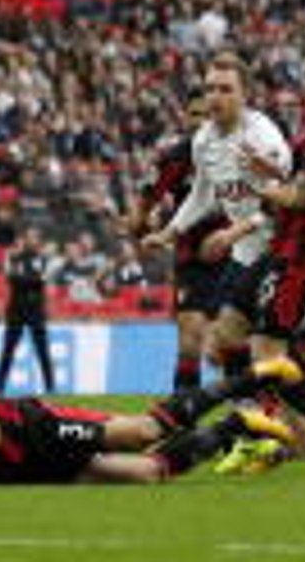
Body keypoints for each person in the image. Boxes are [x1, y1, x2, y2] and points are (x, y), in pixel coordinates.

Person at [0, 327, 299, 489]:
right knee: (148, 474)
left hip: (31, 432)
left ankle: (254, 376)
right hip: (15, 475)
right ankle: (238, 425)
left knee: (144, 431)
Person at [209, 45, 305, 476]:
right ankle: (274, 434)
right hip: (283, 246)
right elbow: (294, 184)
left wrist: (250, 181)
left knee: (269, 353)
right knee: (227, 334)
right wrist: (267, 170)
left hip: (301, 255)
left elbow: (300, 196)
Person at [125, 88, 228, 390]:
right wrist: (138, 224)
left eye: (207, 115)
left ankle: (248, 412)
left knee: (228, 345)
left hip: (236, 255)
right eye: (195, 114)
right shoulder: (175, 157)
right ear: (185, 117)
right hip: (191, 258)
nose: (200, 122)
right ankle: (183, 418)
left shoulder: (235, 151)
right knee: (189, 341)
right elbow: (146, 201)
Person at [0, 228, 54, 394]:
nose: (31, 240)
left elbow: (41, 280)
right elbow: (13, 280)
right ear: (24, 239)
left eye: (34, 237)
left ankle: (51, 387)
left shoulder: (43, 259)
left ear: (38, 240)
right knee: (8, 350)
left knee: (42, 350)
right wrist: (31, 279)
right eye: (28, 237)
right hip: (16, 310)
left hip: (36, 310)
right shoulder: (14, 258)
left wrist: (23, 278)